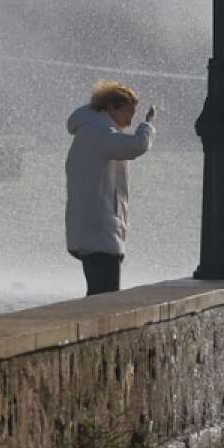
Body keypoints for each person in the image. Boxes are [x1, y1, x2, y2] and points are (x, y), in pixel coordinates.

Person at [65, 81, 155, 295]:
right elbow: (135, 146)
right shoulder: (97, 133)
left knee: (101, 294)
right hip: (98, 230)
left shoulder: (94, 130)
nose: (130, 120)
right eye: (128, 113)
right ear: (111, 107)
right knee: (104, 297)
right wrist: (148, 124)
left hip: (94, 228)